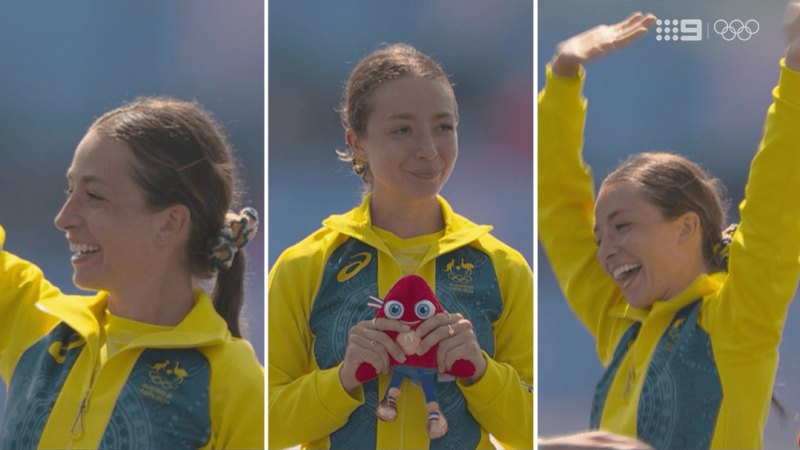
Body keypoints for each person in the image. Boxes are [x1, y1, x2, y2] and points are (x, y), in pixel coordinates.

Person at [538, 4, 800, 449]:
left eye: (623, 226)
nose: (604, 251)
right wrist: (562, 74)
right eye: (600, 236)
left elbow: (777, 195)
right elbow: (558, 205)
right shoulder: (619, 320)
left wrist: (794, 75)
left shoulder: (737, 319)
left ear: (685, 228)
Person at [268, 43, 533, 449]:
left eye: (444, 127)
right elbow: (265, 427)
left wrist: (480, 371)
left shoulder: (504, 268)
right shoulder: (303, 266)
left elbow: (530, 433)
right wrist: (342, 379)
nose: (428, 149)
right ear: (356, 142)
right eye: (402, 129)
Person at [0, 97, 264, 449]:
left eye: (94, 196)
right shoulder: (39, 325)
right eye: (69, 189)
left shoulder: (236, 384)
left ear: (170, 222)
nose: (64, 218)